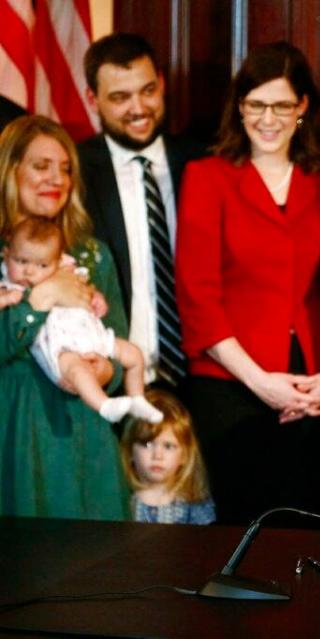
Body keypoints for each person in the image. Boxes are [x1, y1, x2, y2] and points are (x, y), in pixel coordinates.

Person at [176, 42, 320, 524]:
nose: (267, 118)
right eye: (255, 105)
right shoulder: (207, 177)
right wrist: (260, 383)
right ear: (239, 107)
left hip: (317, 387)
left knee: (314, 527)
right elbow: (198, 297)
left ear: (303, 108)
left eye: (281, 105)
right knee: (246, 529)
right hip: (231, 388)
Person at [0, 115, 129, 519]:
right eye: (41, 166)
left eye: (65, 169)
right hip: (16, 426)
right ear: (10, 170)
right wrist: (38, 300)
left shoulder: (91, 255)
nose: (55, 178)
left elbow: (118, 346)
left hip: (83, 431)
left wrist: (104, 370)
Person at [79, 33, 205, 388]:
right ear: (93, 99)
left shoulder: (202, 162)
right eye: (120, 97)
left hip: (201, 381)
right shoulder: (74, 173)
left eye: (147, 90)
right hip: (112, 378)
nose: (138, 108)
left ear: (162, 83)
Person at [2, 217, 163, 423]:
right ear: (7, 257)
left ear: (57, 261)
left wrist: (96, 298)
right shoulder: (12, 287)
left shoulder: (67, 272)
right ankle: (103, 405)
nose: (29, 271)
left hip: (90, 334)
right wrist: (8, 297)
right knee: (79, 371)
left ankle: (138, 399)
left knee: (134, 354)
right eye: (21, 261)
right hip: (60, 347)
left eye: (42, 265)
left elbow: (87, 291)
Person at [121, 388, 216, 524]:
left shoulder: (195, 506)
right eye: (147, 444)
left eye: (168, 446)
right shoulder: (120, 501)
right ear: (130, 451)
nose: (157, 456)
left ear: (185, 455)